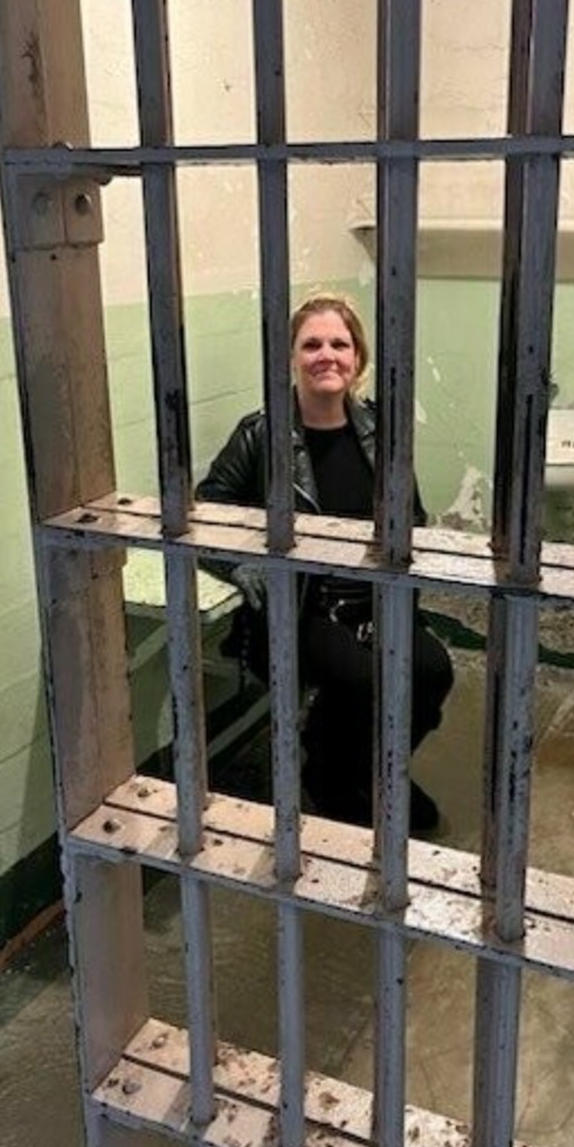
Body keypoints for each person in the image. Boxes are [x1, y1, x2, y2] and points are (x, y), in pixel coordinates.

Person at [196, 291, 454, 832]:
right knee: (365, 680)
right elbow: (205, 509)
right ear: (292, 357)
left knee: (432, 671)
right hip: (298, 609)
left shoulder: (381, 431)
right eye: (312, 344)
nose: (326, 355)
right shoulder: (260, 434)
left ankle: (372, 771)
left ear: (357, 357)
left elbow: (413, 516)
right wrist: (239, 565)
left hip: (375, 603)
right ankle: (334, 780)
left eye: (340, 343)